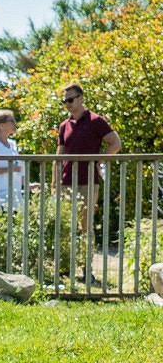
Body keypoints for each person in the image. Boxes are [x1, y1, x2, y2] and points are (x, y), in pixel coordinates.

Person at [55, 83, 122, 283]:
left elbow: (115, 143)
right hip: (66, 181)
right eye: (64, 101)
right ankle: (66, 268)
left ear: (81, 98)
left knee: (86, 227)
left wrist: (99, 160)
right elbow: (59, 156)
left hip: (87, 181)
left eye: (70, 99)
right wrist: (54, 182)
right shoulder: (63, 125)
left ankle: (87, 270)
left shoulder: (96, 121)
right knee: (66, 226)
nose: (67, 104)